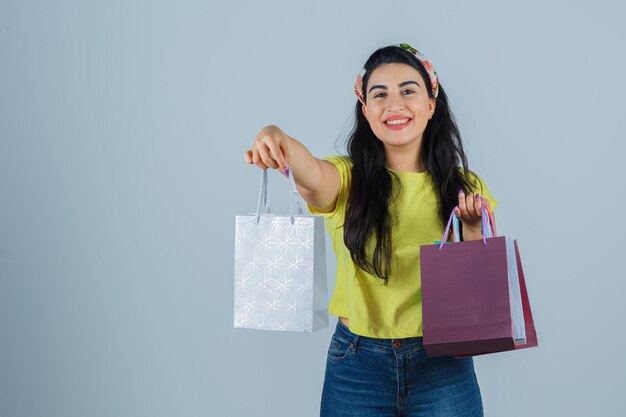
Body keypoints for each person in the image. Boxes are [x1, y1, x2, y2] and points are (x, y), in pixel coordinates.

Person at [243, 43, 497, 417]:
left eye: (408, 91)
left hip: (443, 366)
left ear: (431, 103)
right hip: (356, 365)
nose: (394, 104)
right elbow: (309, 170)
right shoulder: (346, 178)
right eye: (380, 94)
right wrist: (273, 134)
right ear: (366, 111)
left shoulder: (464, 186)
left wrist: (473, 228)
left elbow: (481, 289)